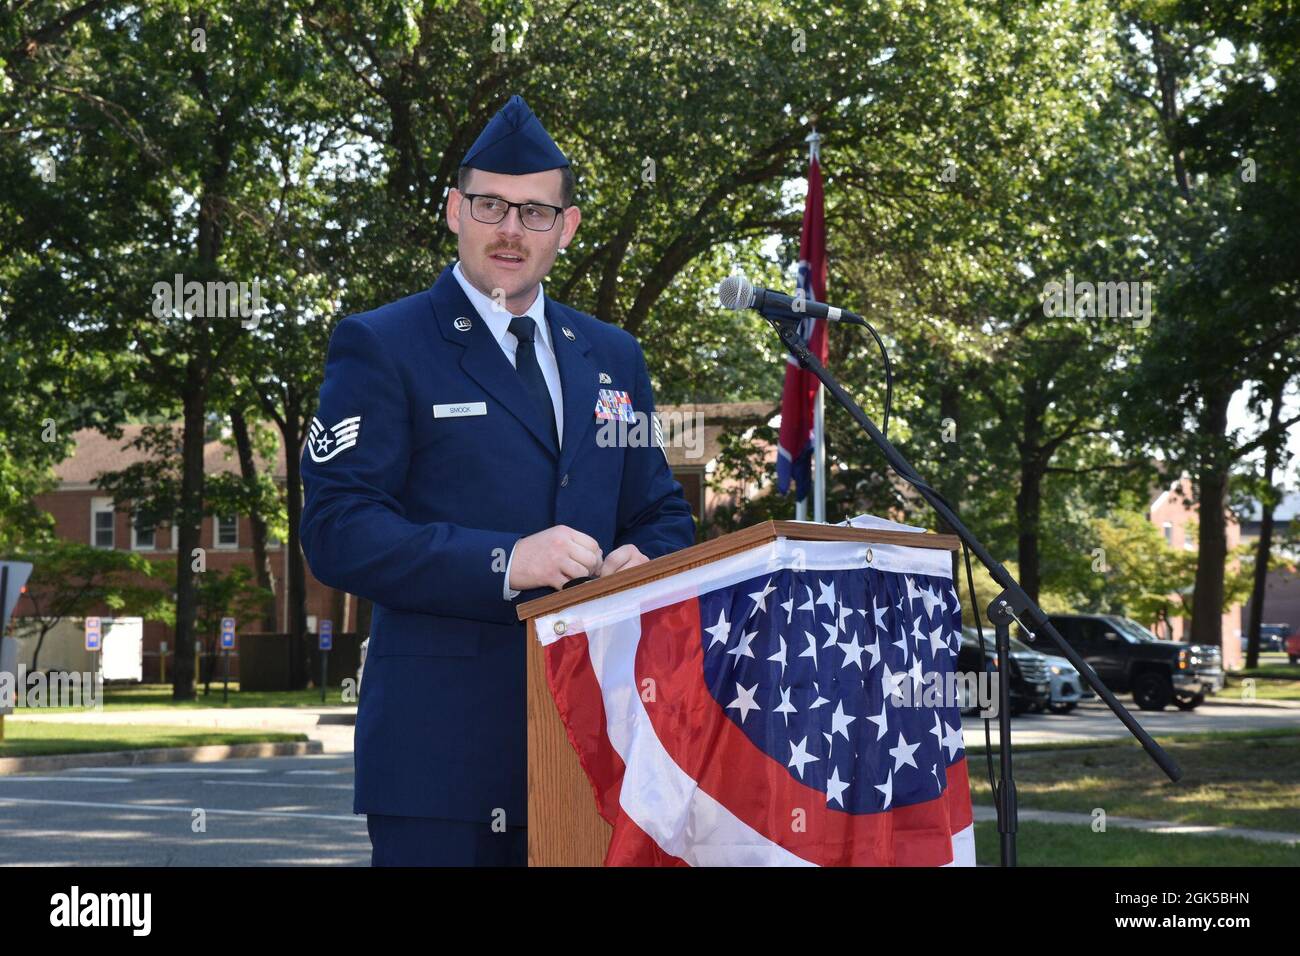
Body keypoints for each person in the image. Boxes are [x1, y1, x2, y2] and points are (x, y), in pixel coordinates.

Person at [300, 94, 696, 866]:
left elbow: (660, 513)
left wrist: (644, 562)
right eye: (491, 205)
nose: (511, 230)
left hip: (600, 748)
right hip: (440, 761)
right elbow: (338, 530)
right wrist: (504, 561)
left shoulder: (613, 356)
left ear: (566, 227)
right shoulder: (383, 344)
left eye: (535, 212)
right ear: (455, 211)